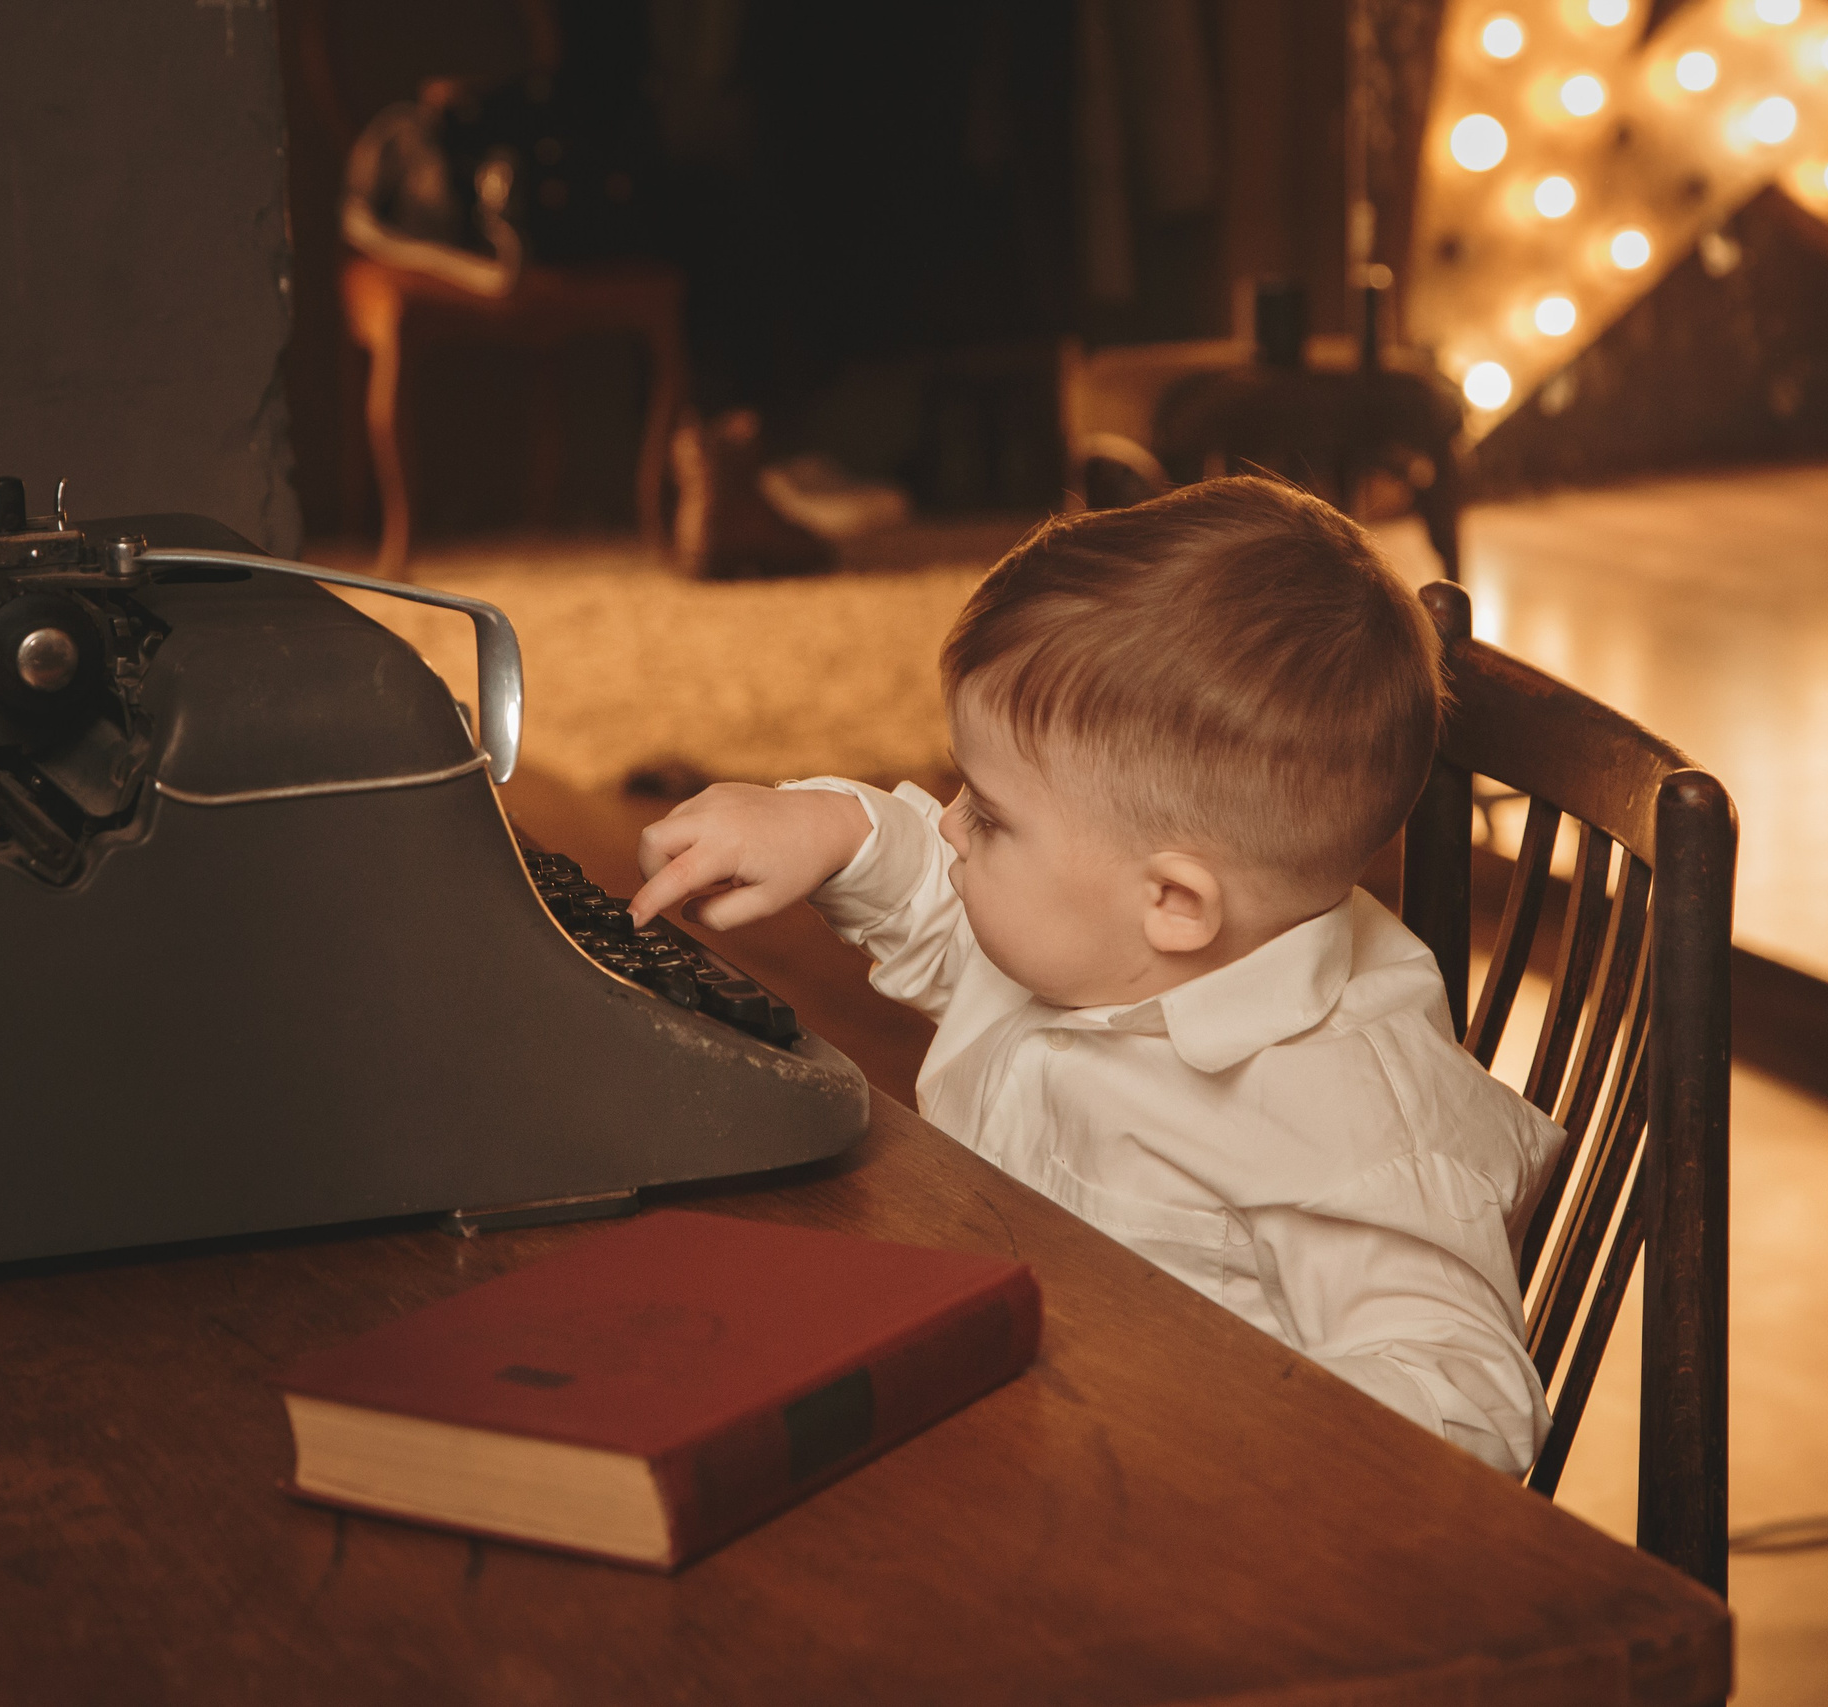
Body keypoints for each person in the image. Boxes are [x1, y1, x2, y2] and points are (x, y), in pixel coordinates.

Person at [626, 477, 1567, 1475]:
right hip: (990, 1414)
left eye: (989, 814)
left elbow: (1469, 1405)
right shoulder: (1103, 935)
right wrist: (834, 826)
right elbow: (943, 900)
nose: (951, 826)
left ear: (1174, 903)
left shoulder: (1349, 1127)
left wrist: (1200, 1420)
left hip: (1157, 1508)